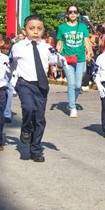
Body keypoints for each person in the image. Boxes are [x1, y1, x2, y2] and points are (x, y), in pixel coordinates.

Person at [11, 15, 66, 162]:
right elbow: (11, 65)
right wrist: (11, 83)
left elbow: (55, 59)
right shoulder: (18, 47)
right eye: (31, 28)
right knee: (28, 108)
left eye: (39, 29)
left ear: (43, 31)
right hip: (25, 83)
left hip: (41, 85)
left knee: (40, 118)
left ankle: (35, 149)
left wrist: (62, 58)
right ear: (25, 30)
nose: (35, 31)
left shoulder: (46, 47)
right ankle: (26, 128)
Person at [56, 5, 93, 118]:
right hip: (67, 58)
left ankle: (71, 103)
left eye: (75, 12)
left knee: (77, 85)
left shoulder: (82, 27)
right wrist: (58, 52)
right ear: (67, 14)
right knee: (71, 83)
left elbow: (86, 40)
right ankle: (73, 107)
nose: (72, 14)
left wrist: (89, 52)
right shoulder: (62, 27)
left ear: (77, 14)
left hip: (80, 58)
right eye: (70, 12)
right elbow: (60, 42)